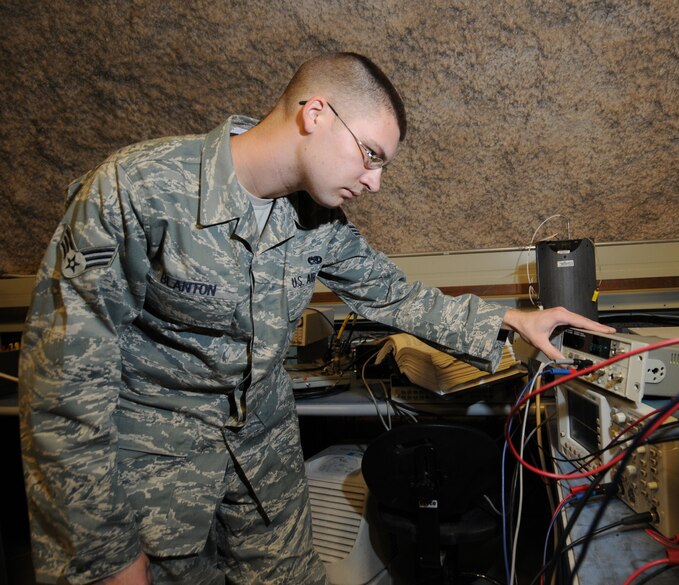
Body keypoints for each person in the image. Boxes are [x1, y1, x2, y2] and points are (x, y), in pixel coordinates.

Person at [18, 52, 614, 585]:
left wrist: (512, 321)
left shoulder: (317, 221)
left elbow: (393, 293)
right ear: (316, 113)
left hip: (265, 472)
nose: (375, 182)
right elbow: (63, 387)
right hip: (157, 478)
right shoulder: (136, 189)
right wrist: (103, 553)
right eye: (372, 156)